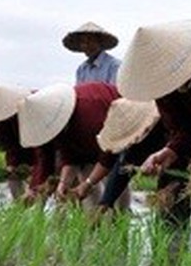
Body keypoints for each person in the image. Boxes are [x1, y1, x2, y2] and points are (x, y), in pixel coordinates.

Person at [112, 20, 191, 232]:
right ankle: (176, 245)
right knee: (174, 190)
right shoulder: (163, 88)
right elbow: (184, 129)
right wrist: (171, 150)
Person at [18, 81, 129, 210]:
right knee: (85, 172)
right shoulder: (54, 124)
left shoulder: (88, 117)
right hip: (94, 134)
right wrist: (63, 184)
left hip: (121, 125)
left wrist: (89, 183)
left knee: (117, 173)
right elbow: (69, 157)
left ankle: (122, 216)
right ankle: (95, 222)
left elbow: (109, 155)